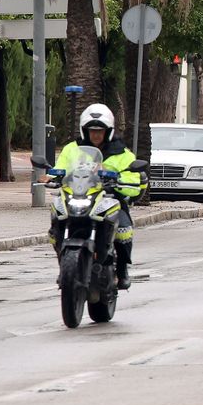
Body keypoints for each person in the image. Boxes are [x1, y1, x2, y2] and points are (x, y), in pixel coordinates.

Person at [52, 103, 143, 289]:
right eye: (92, 130)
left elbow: (134, 179)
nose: (95, 134)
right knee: (57, 218)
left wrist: (121, 179)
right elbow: (60, 168)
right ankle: (64, 266)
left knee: (123, 229)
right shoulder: (72, 149)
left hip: (109, 197)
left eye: (99, 130)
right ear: (85, 130)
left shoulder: (123, 154)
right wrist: (51, 175)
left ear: (108, 131)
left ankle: (122, 270)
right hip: (79, 194)